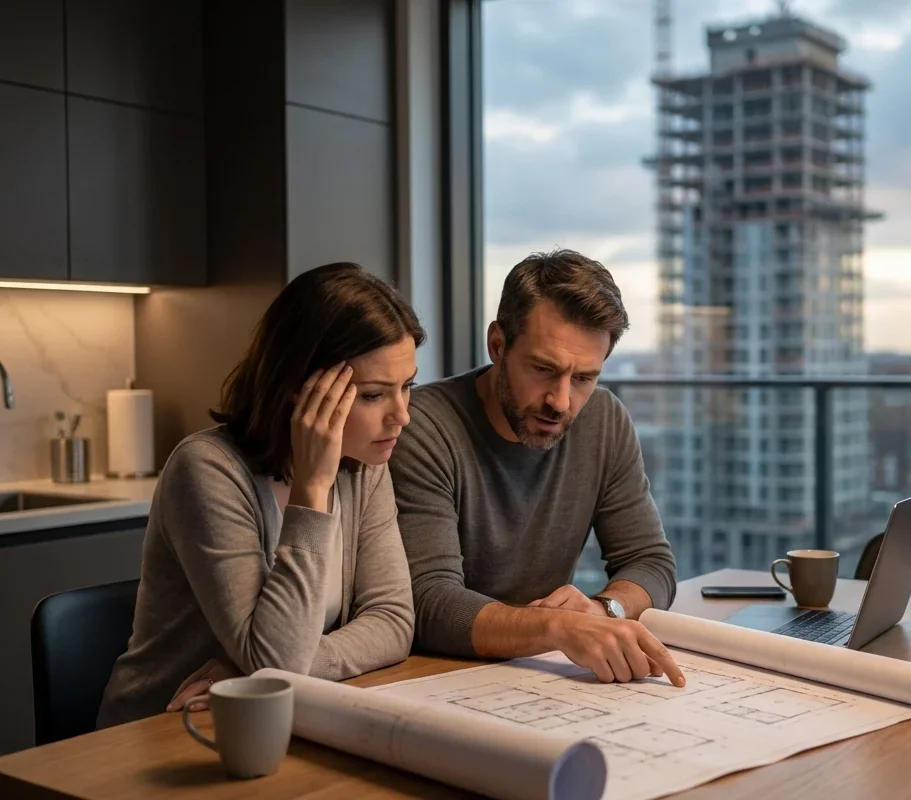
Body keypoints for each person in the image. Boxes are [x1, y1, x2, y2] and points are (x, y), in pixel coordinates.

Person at [97, 262, 422, 728]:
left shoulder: (364, 466)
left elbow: (392, 622)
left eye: (407, 387)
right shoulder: (207, 469)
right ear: (299, 389)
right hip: (160, 732)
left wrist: (257, 672)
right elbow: (275, 663)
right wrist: (311, 490)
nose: (401, 416)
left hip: (261, 717)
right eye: (373, 395)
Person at [389, 248, 685, 687]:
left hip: (540, 675)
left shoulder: (603, 419)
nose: (561, 401)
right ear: (497, 345)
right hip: (434, 677)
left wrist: (604, 610)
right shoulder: (422, 428)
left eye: (584, 377)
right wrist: (557, 627)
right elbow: (429, 602)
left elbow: (650, 561)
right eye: (544, 369)